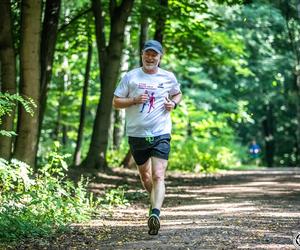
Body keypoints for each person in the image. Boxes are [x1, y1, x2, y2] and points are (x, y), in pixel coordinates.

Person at [113, 40, 182, 235]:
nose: (150, 58)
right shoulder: (131, 77)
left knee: (158, 174)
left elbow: (177, 94)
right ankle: (154, 204)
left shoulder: (168, 77)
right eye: (147, 54)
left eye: (155, 55)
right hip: (137, 134)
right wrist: (133, 100)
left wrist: (173, 104)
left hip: (161, 132)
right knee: (146, 177)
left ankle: (156, 213)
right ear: (142, 54)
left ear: (160, 58)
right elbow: (116, 102)